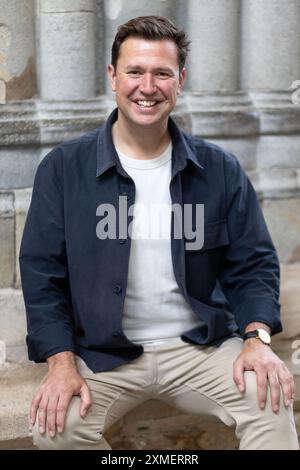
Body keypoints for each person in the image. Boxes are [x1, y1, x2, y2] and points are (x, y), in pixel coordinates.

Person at [19, 15, 298, 450]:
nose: (147, 87)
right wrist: (59, 360)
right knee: (58, 427)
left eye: (162, 73)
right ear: (112, 76)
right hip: (103, 353)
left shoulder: (219, 168)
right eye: (135, 71)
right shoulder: (63, 169)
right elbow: (43, 274)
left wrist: (257, 338)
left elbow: (254, 264)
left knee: (270, 405)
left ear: (180, 80)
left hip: (200, 347)